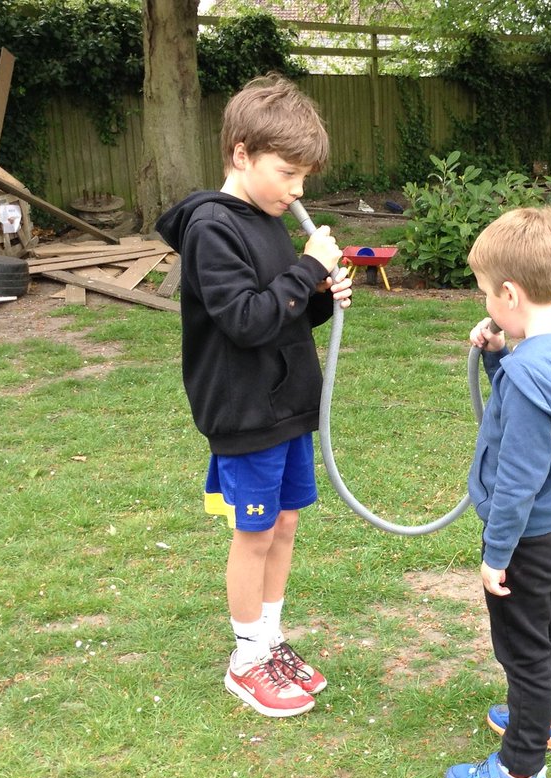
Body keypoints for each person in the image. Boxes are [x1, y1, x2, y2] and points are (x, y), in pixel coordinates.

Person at [156, 74, 353, 719]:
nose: (297, 191)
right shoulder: (211, 228)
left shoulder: (266, 219)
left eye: (304, 178)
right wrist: (307, 268)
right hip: (244, 410)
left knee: (286, 524)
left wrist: (318, 295)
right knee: (255, 532)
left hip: (287, 401)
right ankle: (245, 659)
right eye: (288, 173)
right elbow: (243, 321)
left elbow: (280, 316)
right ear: (241, 153)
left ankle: (269, 642)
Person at [444, 206, 551, 778]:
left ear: (511, 293)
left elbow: (517, 479)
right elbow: (539, 404)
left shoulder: (526, 373)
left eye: (488, 294)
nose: (485, 305)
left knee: (524, 650)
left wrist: (496, 554)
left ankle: (519, 774)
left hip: (527, 537)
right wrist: (497, 355)